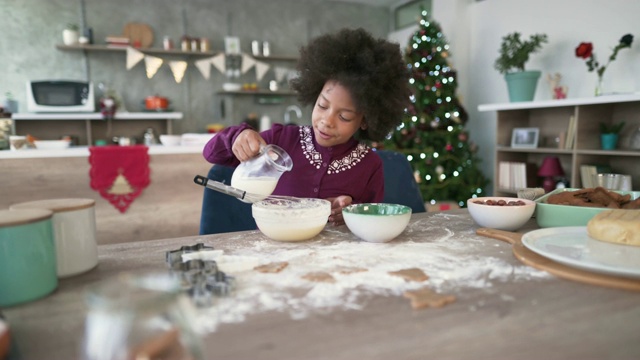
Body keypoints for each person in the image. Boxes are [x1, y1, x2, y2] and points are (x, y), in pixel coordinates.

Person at [203, 27, 411, 225]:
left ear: (365, 120)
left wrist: (349, 212)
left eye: (344, 117)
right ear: (314, 93)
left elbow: (372, 219)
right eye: (322, 105)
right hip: (276, 248)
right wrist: (237, 137)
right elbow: (212, 153)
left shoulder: (369, 165)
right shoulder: (280, 139)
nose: (326, 121)